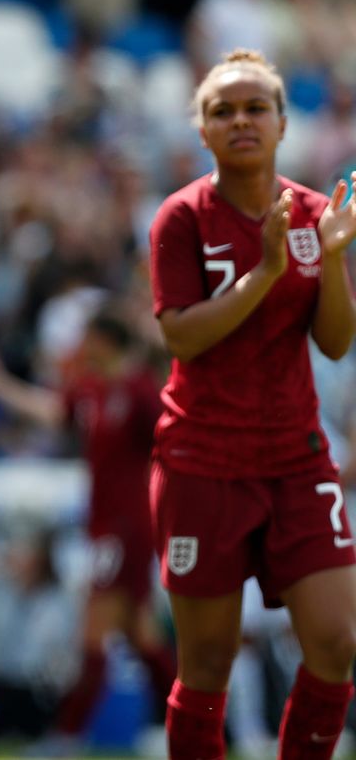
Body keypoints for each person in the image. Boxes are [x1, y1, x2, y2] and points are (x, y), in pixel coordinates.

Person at [147, 48, 356, 760]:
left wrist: (328, 260)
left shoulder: (312, 214)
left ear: (282, 122)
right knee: (208, 663)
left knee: (336, 642)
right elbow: (182, 336)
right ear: (201, 131)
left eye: (255, 108)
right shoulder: (180, 220)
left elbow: (333, 342)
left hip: (295, 457)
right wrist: (267, 271)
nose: (240, 121)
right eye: (222, 111)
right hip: (203, 462)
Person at [0, 312, 176, 752]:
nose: (80, 346)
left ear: (105, 340)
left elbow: (171, 444)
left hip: (129, 526)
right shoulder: (92, 389)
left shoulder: (140, 390)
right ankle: (187, 725)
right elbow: (51, 411)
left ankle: (68, 735)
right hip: (103, 524)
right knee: (142, 636)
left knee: (95, 629)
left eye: (87, 337)